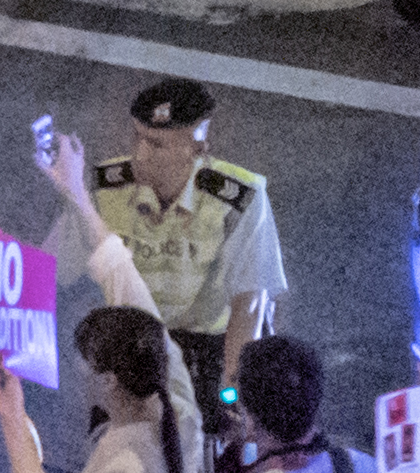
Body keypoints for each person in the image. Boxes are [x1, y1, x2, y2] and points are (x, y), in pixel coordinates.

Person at [50, 80, 281, 394]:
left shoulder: (238, 198)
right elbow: (56, 269)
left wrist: (234, 389)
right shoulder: (107, 187)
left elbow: (249, 302)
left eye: (157, 144)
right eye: (138, 137)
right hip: (130, 348)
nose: (140, 154)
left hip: (204, 351)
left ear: (198, 146)